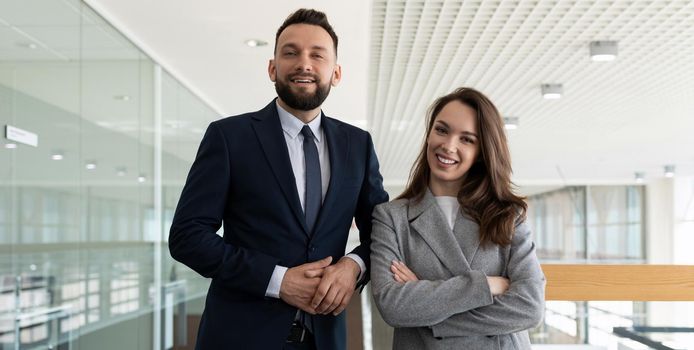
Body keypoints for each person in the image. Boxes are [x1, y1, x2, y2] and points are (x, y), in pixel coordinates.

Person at [169, 8, 388, 350]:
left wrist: (353, 266)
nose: (304, 64)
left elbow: (383, 233)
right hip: (239, 337)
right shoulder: (229, 137)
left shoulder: (357, 146)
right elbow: (187, 236)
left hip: (324, 338)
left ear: (336, 72)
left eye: (318, 55)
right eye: (291, 53)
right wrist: (278, 280)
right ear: (272, 68)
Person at [370, 87, 545, 349]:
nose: (449, 145)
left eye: (467, 139)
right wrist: (485, 286)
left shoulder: (508, 214)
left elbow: (529, 307)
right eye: (441, 130)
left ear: (482, 152)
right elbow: (393, 306)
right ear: (429, 135)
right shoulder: (392, 217)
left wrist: (429, 308)